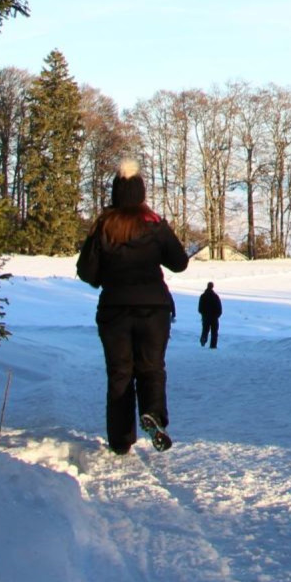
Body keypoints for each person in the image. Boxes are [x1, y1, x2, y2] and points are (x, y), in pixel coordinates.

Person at [76, 160, 189, 454]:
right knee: (152, 368)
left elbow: (86, 271)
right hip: (154, 310)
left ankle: (121, 440)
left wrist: (105, 277)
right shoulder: (154, 224)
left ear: (115, 193)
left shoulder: (104, 226)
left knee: (120, 374)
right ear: (141, 193)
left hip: (114, 310)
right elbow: (180, 262)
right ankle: (153, 415)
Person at [198, 281, 222, 349]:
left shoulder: (203, 296)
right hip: (214, 318)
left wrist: (203, 314)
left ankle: (203, 340)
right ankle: (213, 346)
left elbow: (200, 308)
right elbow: (219, 308)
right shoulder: (216, 296)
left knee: (205, 330)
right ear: (212, 287)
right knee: (214, 332)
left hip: (206, 317)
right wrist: (217, 315)